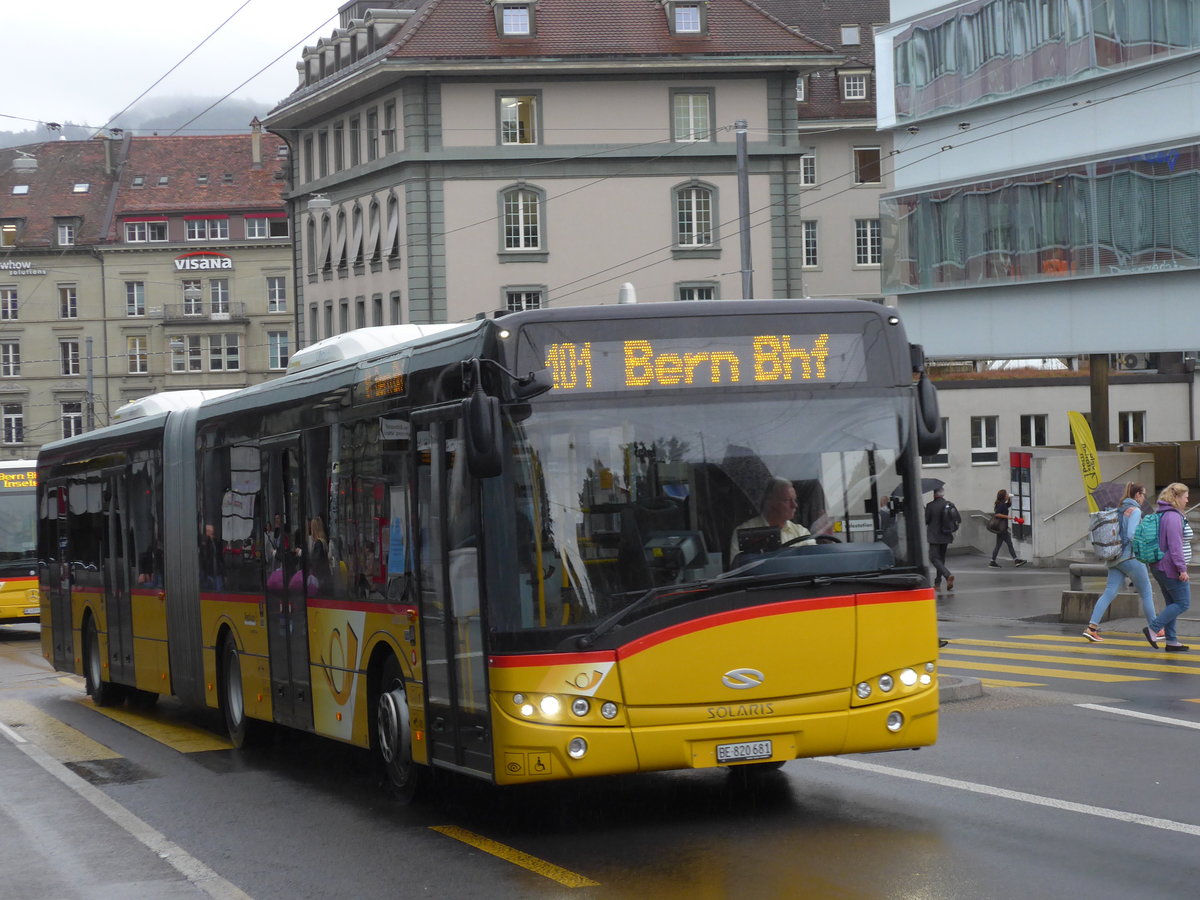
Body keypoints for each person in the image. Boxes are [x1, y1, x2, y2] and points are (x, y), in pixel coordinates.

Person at [1084, 483, 1157, 642]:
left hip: (1114, 558)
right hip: (1130, 558)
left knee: (1109, 592)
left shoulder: (1119, 509)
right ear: (1137, 495)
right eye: (1143, 494)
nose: (1144, 498)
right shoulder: (1136, 510)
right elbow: (1131, 535)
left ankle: (1091, 628)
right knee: (1146, 593)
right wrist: (1143, 542)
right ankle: (1155, 630)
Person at [1143, 482, 1192, 652]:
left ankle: (1171, 641)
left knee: (1172, 602)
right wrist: (1182, 569)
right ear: (1177, 497)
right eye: (1185, 497)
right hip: (1169, 567)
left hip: (1160, 566)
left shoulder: (1163, 513)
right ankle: (1153, 628)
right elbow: (1175, 546)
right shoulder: (1172, 517)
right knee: (1183, 603)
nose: (1188, 500)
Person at [729, 477, 813, 563]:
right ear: (769, 503)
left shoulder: (801, 533)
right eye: (787, 500)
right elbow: (738, 570)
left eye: (794, 500)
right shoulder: (744, 533)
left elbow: (812, 565)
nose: (794, 505)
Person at [925, 487, 960, 590]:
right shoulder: (949, 504)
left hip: (934, 537)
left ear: (935, 494)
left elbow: (926, 520)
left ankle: (947, 575)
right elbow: (958, 518)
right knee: (941, 559)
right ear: (943, 494)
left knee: (933, 558)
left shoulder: (930, 505)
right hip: (946, 535)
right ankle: (937, 583)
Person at [988, 489, 1026, 568]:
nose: (1007, 495)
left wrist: (1009, 498)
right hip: (1002, 528)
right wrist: (1009, 517)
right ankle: (1016, 561)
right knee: (1009, 544)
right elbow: (997, 514)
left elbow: (1008, 505)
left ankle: (992, 561)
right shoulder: (1001, 505)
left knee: (1000, 545)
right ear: (1003, 496)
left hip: (1002, 528)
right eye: (1006, 494)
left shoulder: (1002, 504)